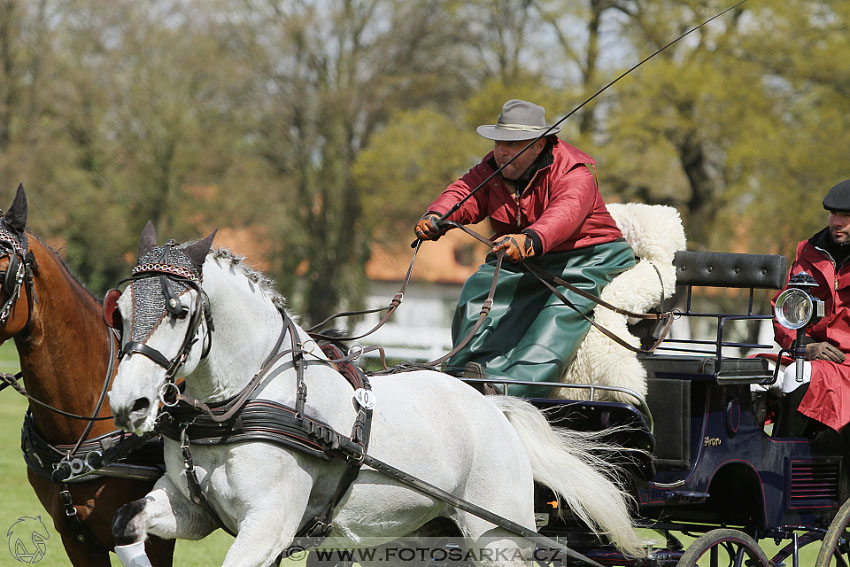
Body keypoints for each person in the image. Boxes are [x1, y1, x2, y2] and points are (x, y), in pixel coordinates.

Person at [413, 99, 635, 397]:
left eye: (513, 143)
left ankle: (511, 387)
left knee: (558, 315)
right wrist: (437, 216)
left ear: (538, 144)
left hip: (588, 258)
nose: (501, 151)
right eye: (499, 142)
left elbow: (565, 213)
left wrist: (530, 239)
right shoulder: (493, 169)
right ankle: (464, 374)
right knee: (479, 288)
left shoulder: (575, 170)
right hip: (528, 255)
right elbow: (465, 192)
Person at [773, 179, 850, 434]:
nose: (836, 222)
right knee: (745, 376)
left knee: (800, 375)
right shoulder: (808, 251)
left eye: (846, 215)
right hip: (807, 353)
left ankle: (781, 464)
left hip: (844, 363)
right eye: (833, 214)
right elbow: (784, 309)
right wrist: (803, 346)